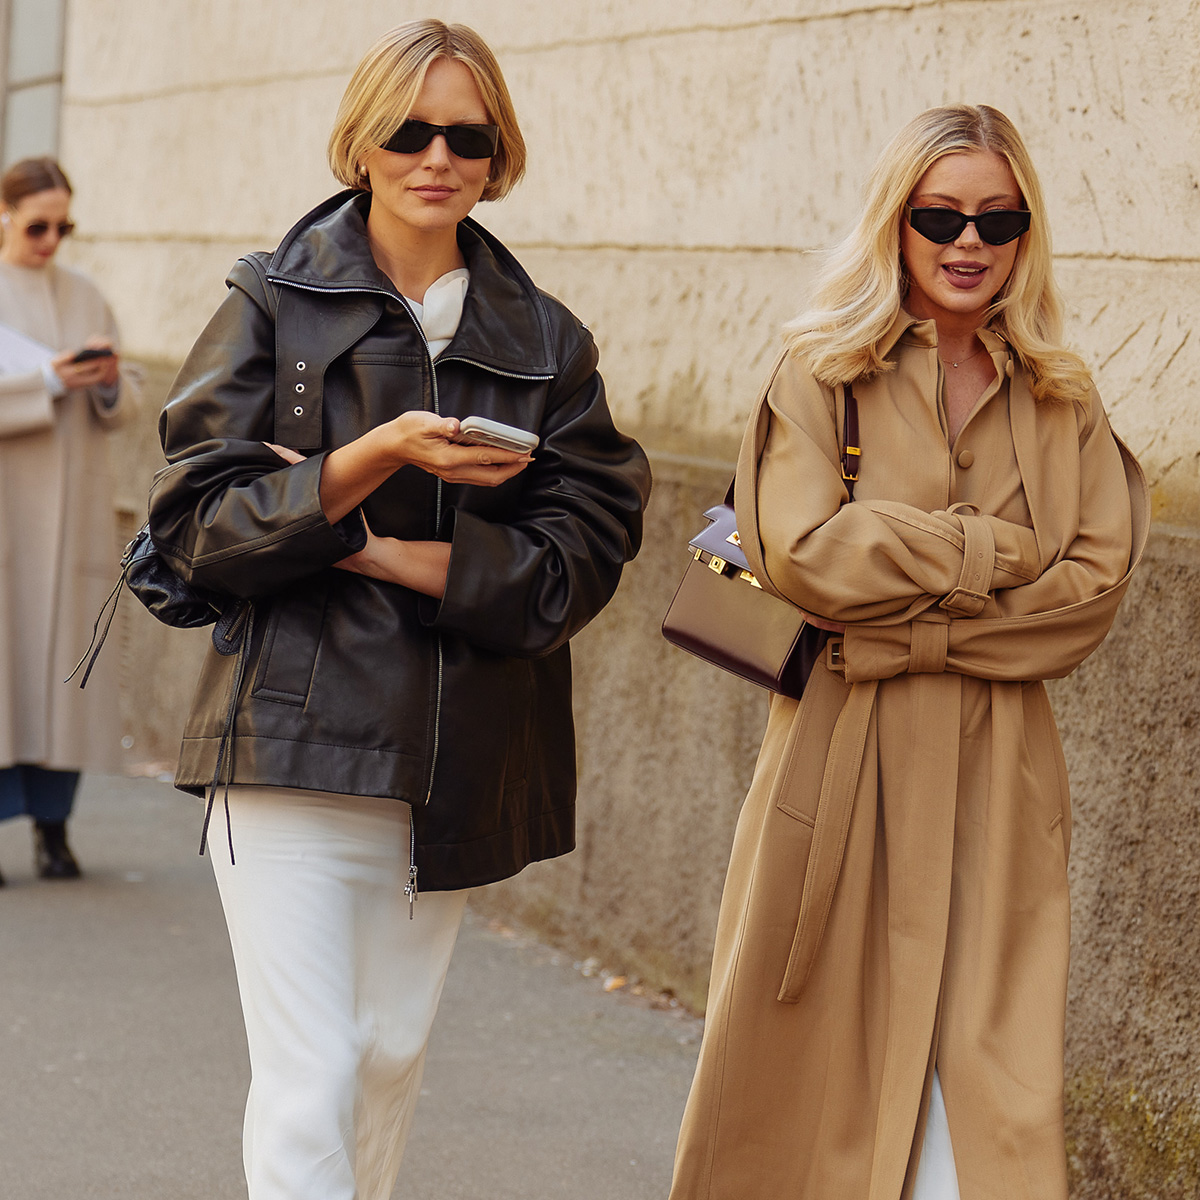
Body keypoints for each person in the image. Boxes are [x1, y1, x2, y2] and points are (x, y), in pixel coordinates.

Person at [147, 19, 650, 1200]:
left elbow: (573, 566)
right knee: (312, 1072)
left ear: (497, 152)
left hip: (453, 749)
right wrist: (372, 453)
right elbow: (192, 523)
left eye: (465, 133)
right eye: (408, 130)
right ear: (362, 144)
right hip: (288, 738)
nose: (437, 154)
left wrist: (366, 548)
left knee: (383, 1060)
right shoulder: (274, 301)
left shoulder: (546, 339)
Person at [668, 105, 1147, 1200]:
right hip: (838, 761)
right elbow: (804, 555)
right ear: (897, 223)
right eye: (939, 216)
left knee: (985, 1107)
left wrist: (901, 596)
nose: (967, 242)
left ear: (1027, 231)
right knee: (807, 1096)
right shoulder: (820, 374)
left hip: (1000, 774)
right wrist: (996, 552)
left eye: (997, 217)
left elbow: (1088, 596)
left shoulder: (1061, 398)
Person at [0, 157, 138, 886]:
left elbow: (130, 399)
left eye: (64, 225)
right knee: (5, 675)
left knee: (63, 681)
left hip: (74, 514)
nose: (52, 239)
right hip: (9, 521)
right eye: (38, 225)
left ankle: (55, 834)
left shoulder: (85, 295)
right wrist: (47, 380)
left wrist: (109, 381)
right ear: (6, 217)